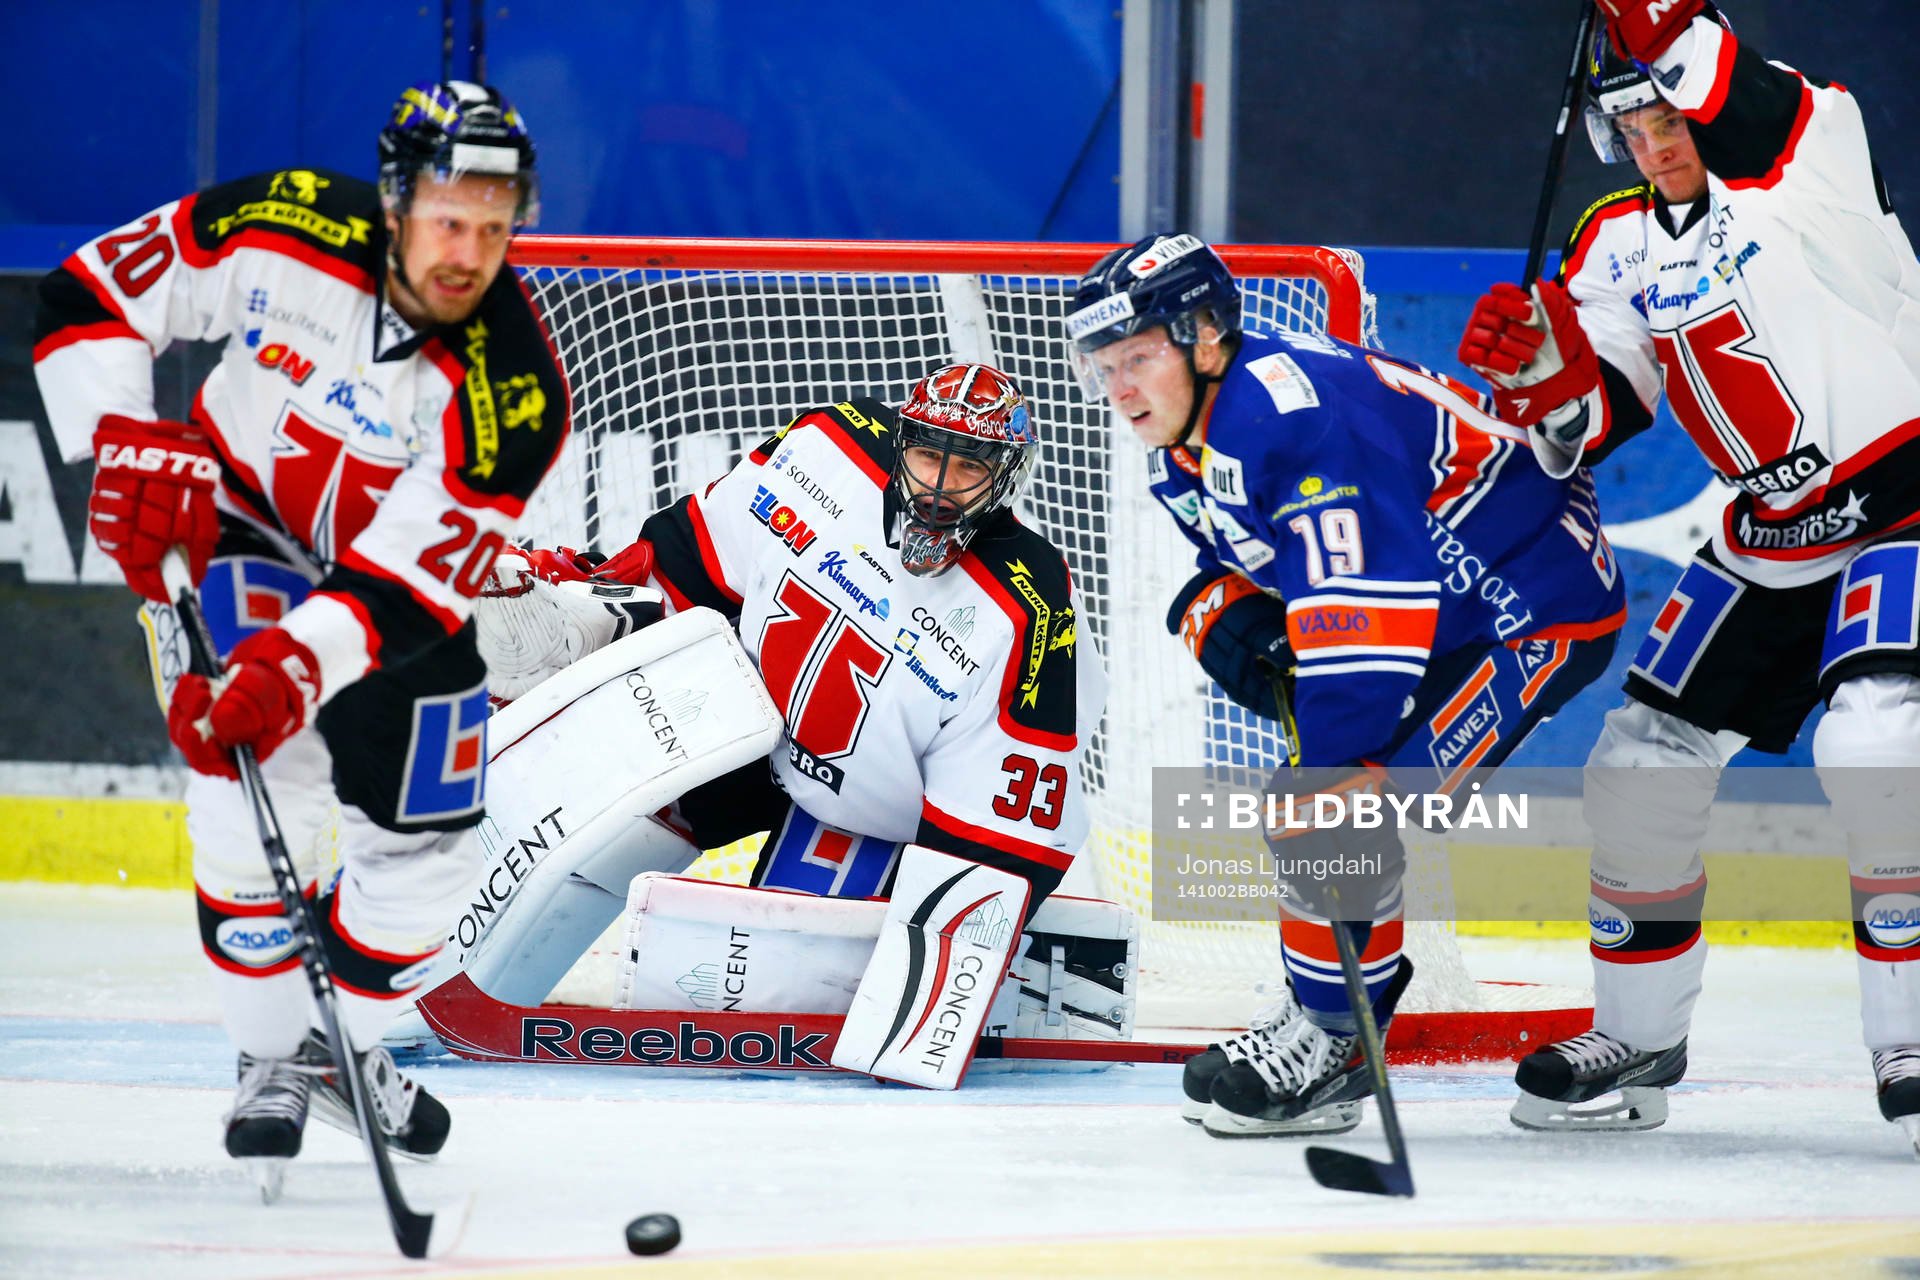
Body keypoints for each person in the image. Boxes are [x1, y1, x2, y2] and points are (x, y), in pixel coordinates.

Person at [32, 80, 568, 1193]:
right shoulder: (286, 220)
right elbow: (90, 290)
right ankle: (273, 1049)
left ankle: (337, 1045)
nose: (469, 251)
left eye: (494, 223)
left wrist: (292, 663)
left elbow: (402, 586)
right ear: (391, 200)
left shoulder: (516, 390)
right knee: (248, 781)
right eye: (445, 218)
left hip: (390, 598)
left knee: (427, 878)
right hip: (235, 519)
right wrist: (125, 438)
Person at [1458, 0, 1920, 1150]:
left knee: (1877, 743)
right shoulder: (1613, 240)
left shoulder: (1813, 152)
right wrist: (1540, 374)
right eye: (1640, 126)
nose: (1663, 142)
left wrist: (1664, 19)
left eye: (1677, 115)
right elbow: (1604, 402)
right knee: (1638, 763)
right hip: (1771, 528)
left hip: (1906, 493)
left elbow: (1745, 98)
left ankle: (1912, 1038)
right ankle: (1642, 1033)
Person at [1068, 233, 1627, 1136]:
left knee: (1323, 804)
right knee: (1217, 615)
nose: (1118, 386)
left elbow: (1362, 630)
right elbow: (1272, 575)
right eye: (1104, 364)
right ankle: (1326, 1000)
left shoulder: (1291, 421)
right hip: (1439, 596)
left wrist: (1331, 765)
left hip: (1531, 611)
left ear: (1207, 335)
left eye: (1137, 357)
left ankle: (1337, 1042)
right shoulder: (1190, 439)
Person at [465, 362, 1112, 1087]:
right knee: (609, 803)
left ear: (1006, 479)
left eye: (967, 467)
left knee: (780, 1001)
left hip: (878, 821)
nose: (936, 486)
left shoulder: (1030, 609)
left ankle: (1023, 982)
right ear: (901, 441)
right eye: (928, 454)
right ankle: (451, 964)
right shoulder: (827, 450)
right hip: (756, 735)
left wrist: (928, 1018)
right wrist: (595, 606)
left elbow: (999, 838)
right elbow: (688, 562)